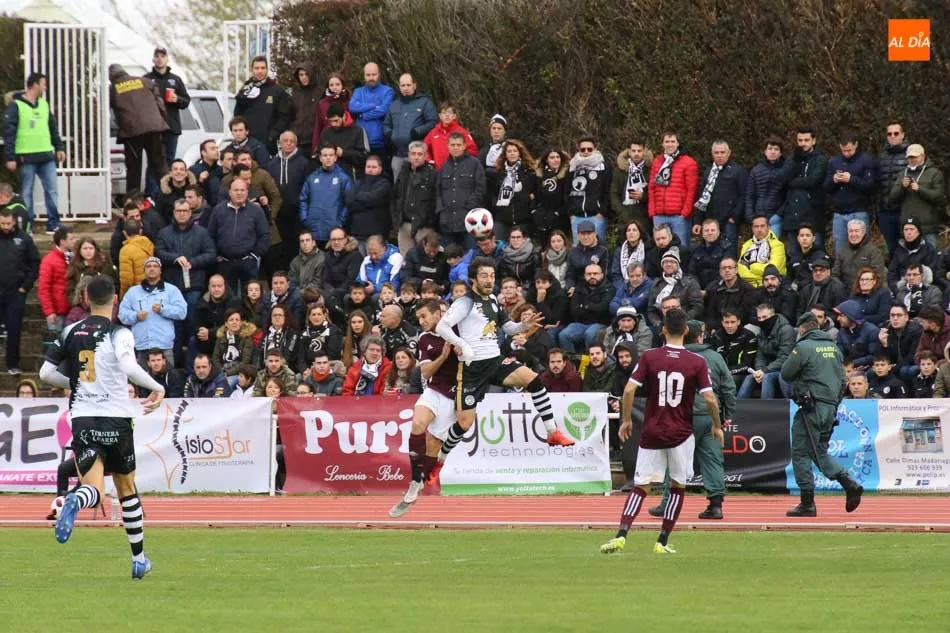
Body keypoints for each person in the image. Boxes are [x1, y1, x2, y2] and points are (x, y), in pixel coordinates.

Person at [38, 275, 165, 579]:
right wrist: (157, 386)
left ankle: (75, 500)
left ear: (86, 298)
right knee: (126, 488)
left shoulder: (69, 330)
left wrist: (74, 383)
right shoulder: (119, 332)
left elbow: (45, 373)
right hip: (116, 418)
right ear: (115, 299)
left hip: (83, 417)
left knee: (93, 488)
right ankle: (139, 559)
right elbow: (128, 366)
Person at [431, 257, 575, 482]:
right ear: (473, 279)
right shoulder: (464, 302)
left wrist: (523, 326)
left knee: (533, 379)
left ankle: (552, 431)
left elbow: (508, 328)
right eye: (484, 276)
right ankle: (440, 461)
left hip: (494, 360)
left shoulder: (492, 301)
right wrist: (463, 345)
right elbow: (442, 327)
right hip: (472, 369)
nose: (489, 280)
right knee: (465, 424)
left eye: (492, 276)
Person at [600, 308, 723, 555]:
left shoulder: (649, 357)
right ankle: (662, 541)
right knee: (678, 485)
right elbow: (710, 398)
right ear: (686, 330)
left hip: (653, 430)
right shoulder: (697, 362)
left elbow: (628, 390)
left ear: (663, 330)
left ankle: (621, 534)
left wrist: (626, 420)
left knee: (641, 485)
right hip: (681, 432)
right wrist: (717, 425)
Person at [780, 312, 863, 517]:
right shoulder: (834, 348)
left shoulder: (803, 347)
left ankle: (808, 502)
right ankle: (848, 483)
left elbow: (786, 374)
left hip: (811, 407)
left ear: (802, 328)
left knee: (801, 452)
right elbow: (843, 380)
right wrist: (833, 405)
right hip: (830, 407)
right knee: (819, 451)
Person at [650, 320, 734, 520]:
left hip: (681, 416)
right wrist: (727, 415)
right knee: (713, 459)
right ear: (700, 336)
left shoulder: (673, 356)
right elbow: (728, 388)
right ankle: (715, 505)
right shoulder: (715, 357)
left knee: (674, 459)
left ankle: (668, 504)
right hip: (709, 415)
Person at [389, 300, 459, 517]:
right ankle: (413, 481)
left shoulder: (459, 331)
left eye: (424, 316)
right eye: (419, 317)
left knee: (433, 446)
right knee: (418, 424)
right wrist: (443, 356)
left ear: (438, 314)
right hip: (433, 391)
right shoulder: (424, 338)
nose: (421, 321)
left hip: (453, 397)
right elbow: (426, 372)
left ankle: (419, 482)